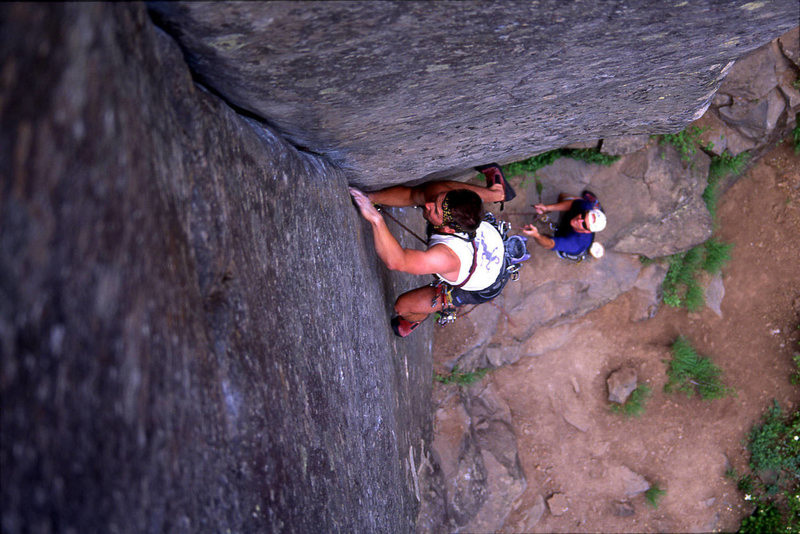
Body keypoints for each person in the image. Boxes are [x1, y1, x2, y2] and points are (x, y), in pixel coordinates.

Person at [349, 163, 516, 337]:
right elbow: (414, 195)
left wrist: (376, 219)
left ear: (450, 229)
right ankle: (498, 193)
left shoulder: (446, 256)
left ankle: (414, 319)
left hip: (482, 285)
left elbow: (397, 261)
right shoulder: (459, 214)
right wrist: (368, 198)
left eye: (434, 209)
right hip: (486, 253)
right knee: (432, 190)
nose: (427, 204)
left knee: (403, 306)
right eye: (437, 201)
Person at [522, 191, 607, 260]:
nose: (579, 220)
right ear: (586, 211)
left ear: (587, 231)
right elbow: (572, 204)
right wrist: (547, 208)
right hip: (568, 224)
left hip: (570, 241)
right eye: (583, 216)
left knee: (544, 238)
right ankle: (595, 205)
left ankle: (596, 206)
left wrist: (536, 235)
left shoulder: (574, 244)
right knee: (563, 196)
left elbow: (550, 244)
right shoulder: (586, 207)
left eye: (584, 224)